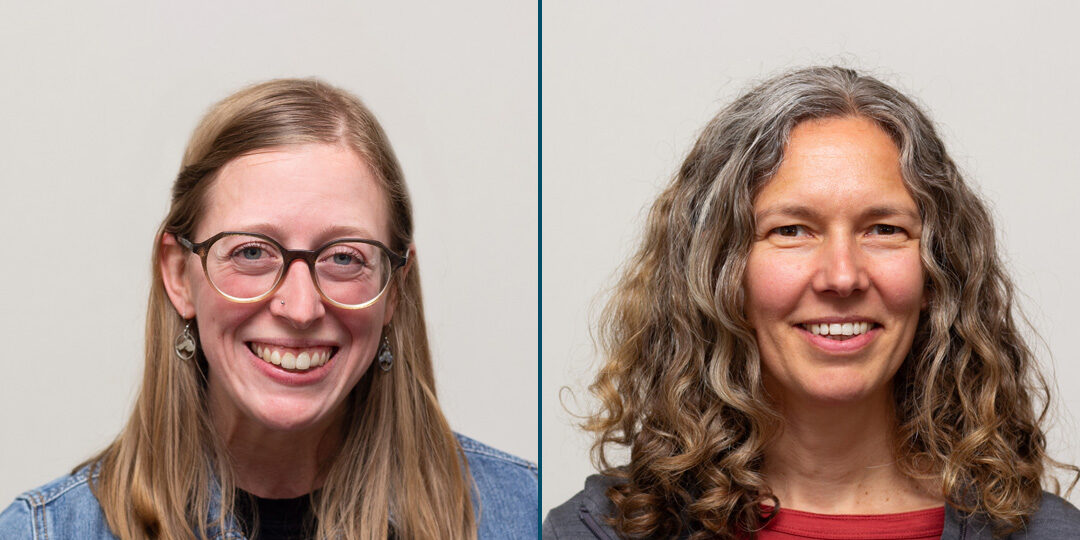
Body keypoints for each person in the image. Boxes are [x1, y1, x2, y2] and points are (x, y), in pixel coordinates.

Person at [544, 66, 1080, 539]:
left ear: (937, 273)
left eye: (884, 229)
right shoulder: (593, 532)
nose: (842, 276)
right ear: (718, 273)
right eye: (792, 230)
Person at [0, 79, 537, 539]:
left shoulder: (523, 517)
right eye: (252, 252)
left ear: (394, 288)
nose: (301, 308)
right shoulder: (43, 531)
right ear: (179, 275)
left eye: (344, 257)